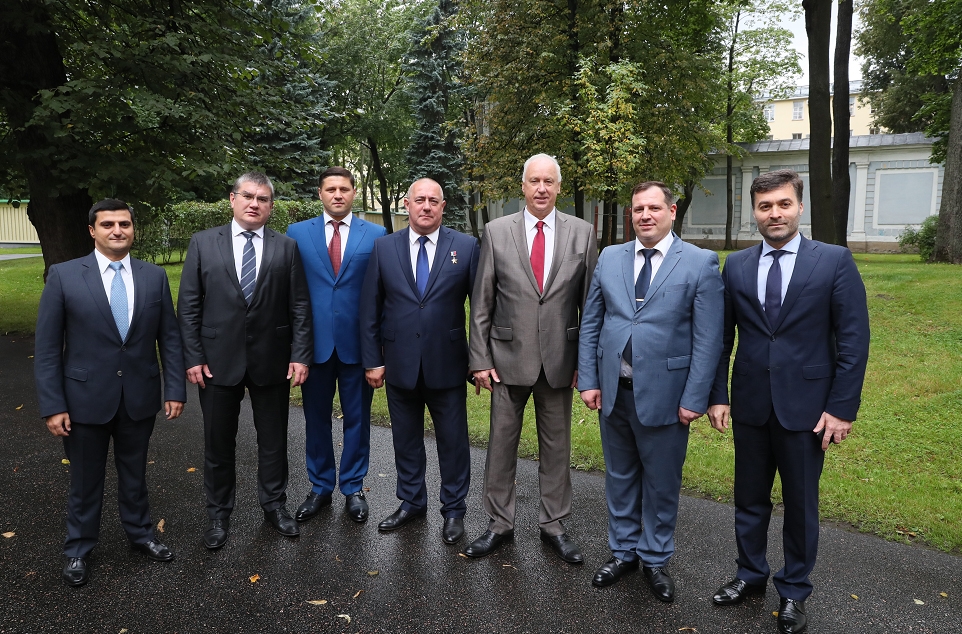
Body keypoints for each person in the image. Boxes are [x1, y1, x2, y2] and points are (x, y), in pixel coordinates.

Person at [707, 170, 870, 634]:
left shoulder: (834, 261)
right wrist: (717, 395)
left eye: (783, 204)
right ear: (754, 212)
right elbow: (722, 338)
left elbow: (854, 341)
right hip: (751, 405)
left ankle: (794, 589)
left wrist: (841, 408)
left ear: (799, 207)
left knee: (800, 505)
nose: (774, 214)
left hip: (808, 409)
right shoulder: (736, 266)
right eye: (765, 206)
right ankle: (749, 574)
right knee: (749, 498)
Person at [577, 182, 723, 600]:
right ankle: (623, 552)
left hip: (667, 397)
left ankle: (655, 559)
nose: (645, 215)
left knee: (660, 483)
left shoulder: (699, 262)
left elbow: (708, 339)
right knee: (619, 477)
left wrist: (695, 398)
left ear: (672, 212)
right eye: (638, 208)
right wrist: (589, 379)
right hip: (614, 391)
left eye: (654, 208)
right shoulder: (610, 257)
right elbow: (592, 322)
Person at [35, 199, 186, 586]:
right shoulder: (64, 275)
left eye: (124, 224)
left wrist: (175, 389)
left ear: (133, 229)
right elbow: (48, 349)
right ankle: (78, 548)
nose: (117, 230)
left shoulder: (154, 277)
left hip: (139, 396)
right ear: (92, 230)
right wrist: (53, 405)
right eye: (108, 224)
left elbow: (169, 338)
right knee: (85, 480)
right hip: (83, 400)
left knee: (135, 475)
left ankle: (141, 535)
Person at [465, 153, 597, 563]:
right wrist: (479, 359)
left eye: (548, 181)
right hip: (506, 361)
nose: (541, 188)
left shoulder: (582, 233)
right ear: (522, 186)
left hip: (560, 362)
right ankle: (498, 524)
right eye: (534, 181)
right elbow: (481, 304)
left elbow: (591, 308)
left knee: (557, 448)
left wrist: (587, 364)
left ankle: (553, 525)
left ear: (558, 187)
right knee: (501, 446)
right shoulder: (496, 231)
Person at [178, 171, 313, 549]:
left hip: (272, 360)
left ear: (271, 206)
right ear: (232, 199)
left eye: (263, 199)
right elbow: (188, 305)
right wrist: (193, 355)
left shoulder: (286, 248)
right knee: (218, 443)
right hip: (216, 362)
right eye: (248, 196)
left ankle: (274, 506)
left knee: (274, 441)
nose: (255, 204)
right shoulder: (203, 243)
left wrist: (301, 354)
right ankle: (218, 515)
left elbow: (300, 306)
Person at [358, 178, 480, 544]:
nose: (426, 206)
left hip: (448, 363)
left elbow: (481, 310)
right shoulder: (384, 248)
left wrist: (479, 360)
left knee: (453, 442)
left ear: (443, 207)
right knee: (405, 439)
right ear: (407, 205)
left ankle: (454, 510)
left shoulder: (466, 247)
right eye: (420, 200)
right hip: (399, 363)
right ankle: (411, 502)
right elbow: (370, 309)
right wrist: (372, 360)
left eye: (433, 201)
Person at [286, 167, 387, 524]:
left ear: (354, 192)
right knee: (315, 419)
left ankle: (354, 488)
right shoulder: (297, 233)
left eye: (344, 188)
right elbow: (291, 292)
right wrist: (295, 349)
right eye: (331, 189)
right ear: (320, 194)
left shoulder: (376, 234)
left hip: (357, 346)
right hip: (313, 346)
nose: (338, 195)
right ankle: (320, 486)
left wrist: (377, 352)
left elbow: (381, 294)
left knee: (357, 420)